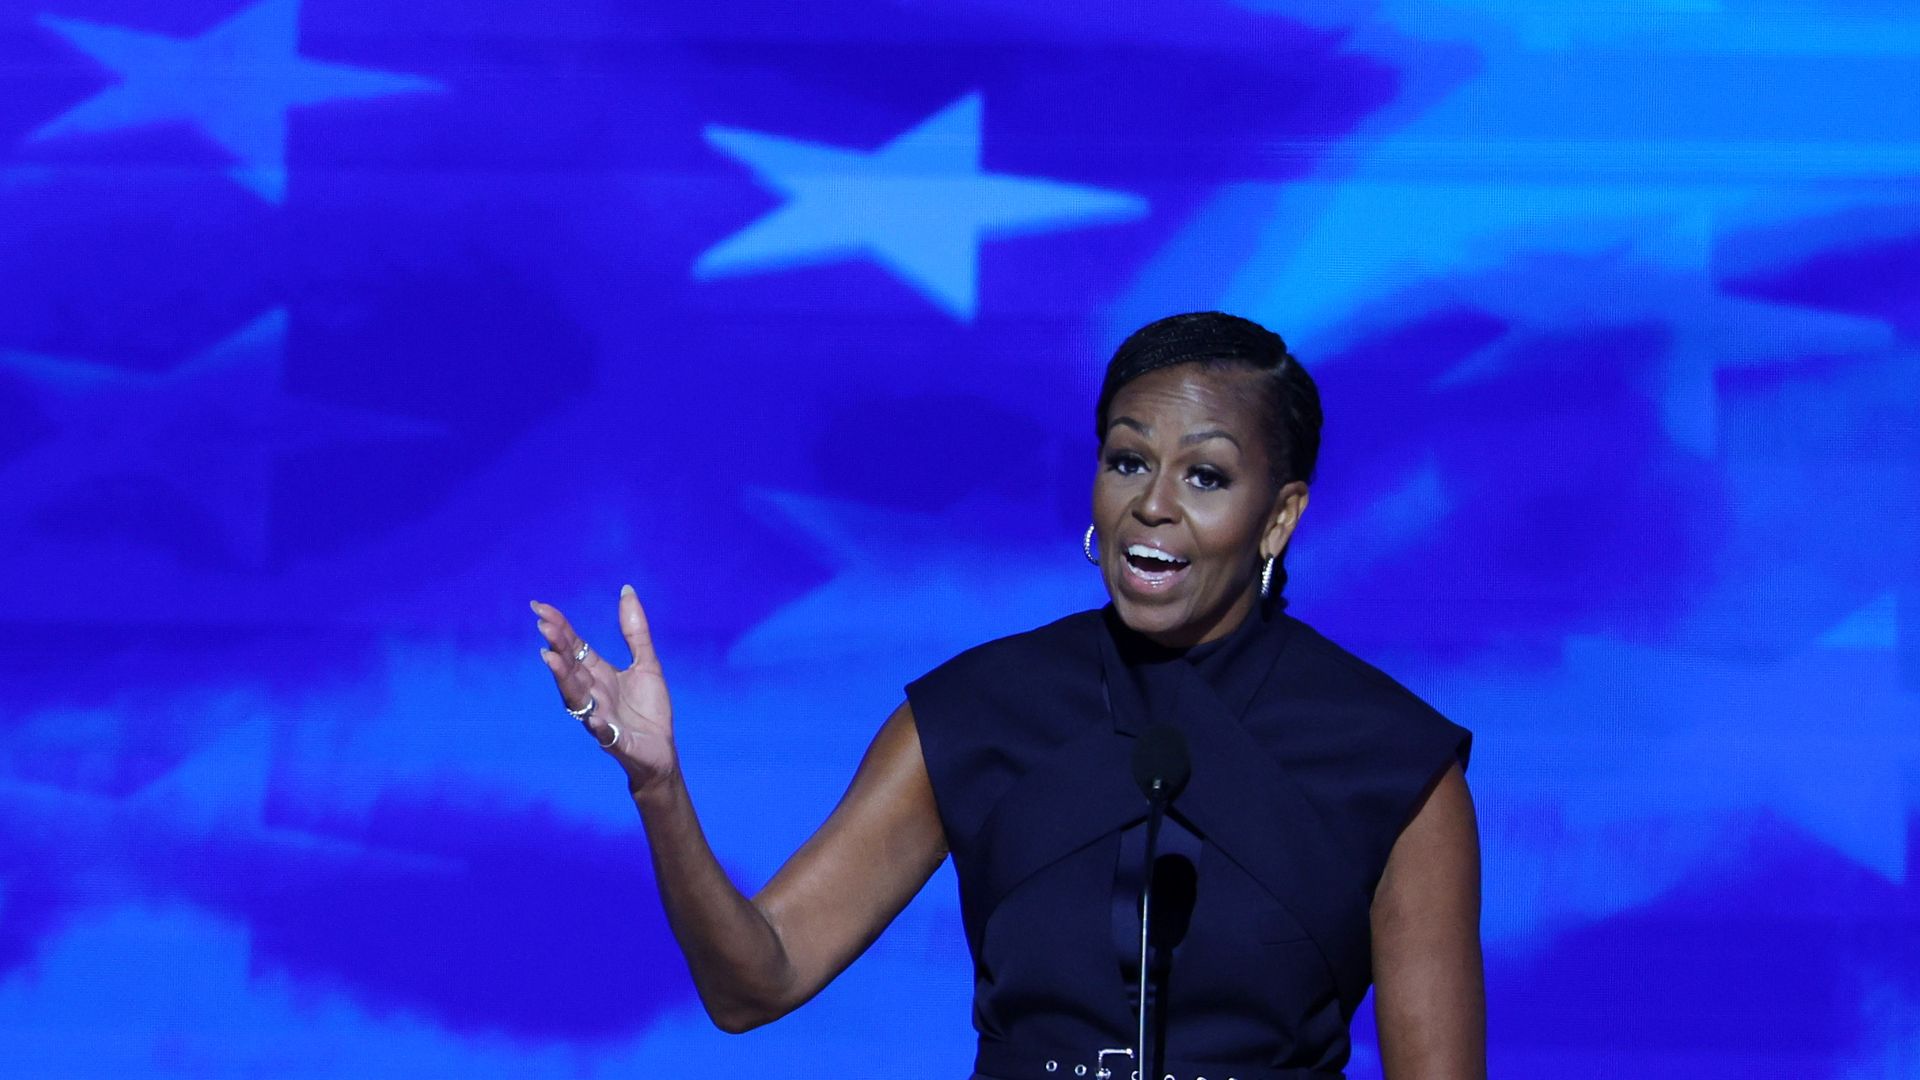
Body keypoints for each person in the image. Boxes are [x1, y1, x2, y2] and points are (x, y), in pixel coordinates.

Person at [531, 312, 1484, 1080]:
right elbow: (756, 981)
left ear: (1279, 516)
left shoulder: (1391, 764)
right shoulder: (981, 711)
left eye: (1205, 475)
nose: (1153, 504)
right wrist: (660, 789)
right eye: (1126, 461)